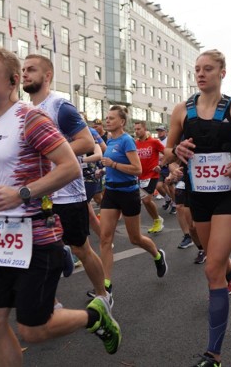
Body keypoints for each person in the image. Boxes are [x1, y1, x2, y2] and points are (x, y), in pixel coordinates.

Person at [0, 48, 121, 365]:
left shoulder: (31, 118)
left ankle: (94, 318)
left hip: (35, 236)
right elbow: (1, 180)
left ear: (13, 80)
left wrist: (23, 194)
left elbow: (70, 167)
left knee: (33, 329)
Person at [168, 49, 231, 367]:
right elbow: (167, 152)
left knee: (212, 267)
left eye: (208, 69)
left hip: (230, 196)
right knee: (216, 258)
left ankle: (213, 355)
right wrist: (175, 151)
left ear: (222, 73)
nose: (201, 73)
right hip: (199, 196)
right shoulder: (182, 110)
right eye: (197, 69)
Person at [21, 54, 109, 305]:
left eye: (32, 70)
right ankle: (52, 304)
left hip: (66, 192)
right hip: (37, 192)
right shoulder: (24, 111)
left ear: (47, 76)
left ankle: (103, 295)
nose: (25, 73)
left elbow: (87, 142)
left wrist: (51, 153)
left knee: (82, 247)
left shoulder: (60, 106)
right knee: (33, 249)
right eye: (24, 69)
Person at [96, 105, 168, 300]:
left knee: (135, 238)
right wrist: (104, 170)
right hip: (111, 191)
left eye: (111, 118)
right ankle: (106, 285)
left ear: (121, 122)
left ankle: (157, 255)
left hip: (128, 194)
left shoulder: (127, 140)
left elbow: (136, 169)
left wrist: (114, 165)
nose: (107, 120)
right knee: (105, 238)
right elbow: (111, 164)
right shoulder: (109, 140)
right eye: (106, 117)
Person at [134, 120, 168, 234]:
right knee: (145, 201)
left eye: (139, 129)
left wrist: (160, 165)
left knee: (146, 199)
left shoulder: (154, 142)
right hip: (140, 176)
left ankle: (158, 221)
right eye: (135, 129)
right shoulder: (135, 143)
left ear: (145, 129)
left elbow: (167, 154)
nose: (136, 131)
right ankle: (157, 220)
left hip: (152, 175)